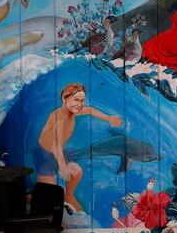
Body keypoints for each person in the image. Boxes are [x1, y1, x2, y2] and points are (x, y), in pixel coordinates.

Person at [34, 83, 122, 212]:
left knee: (77, 172)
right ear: (64, 98)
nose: (80, 104)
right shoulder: (60, 118)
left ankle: (68, 196)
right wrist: (62, 166)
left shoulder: (71, 112)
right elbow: (55, 145)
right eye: (76, 100)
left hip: (59, 151)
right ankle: (32, 200)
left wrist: (108, 118)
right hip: (45, 154)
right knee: (47, 193)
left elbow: (90, 110)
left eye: (81, 100)